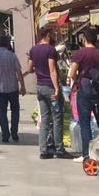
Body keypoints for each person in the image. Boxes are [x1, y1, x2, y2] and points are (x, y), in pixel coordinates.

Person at [25, 25, 70, 159]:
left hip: (40, 87)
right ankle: (59, 148)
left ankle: (44, 150)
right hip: (50, 87)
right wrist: (56, 88)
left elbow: (29, 69)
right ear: (48, 35)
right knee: (57, 118)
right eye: (53, 34)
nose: (55, 36)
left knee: (44, 119)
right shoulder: (50, 50)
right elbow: (52, 70)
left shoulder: (33, 49)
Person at [68, 26, 99, 161]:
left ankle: (87, 155)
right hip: (98, 93)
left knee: (85, 123)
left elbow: (71, 73)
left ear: (84, 39)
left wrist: (77, 82)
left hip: (84, 91)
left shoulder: (80, 54)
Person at [0, 34, 27, 144]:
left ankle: (5, 135)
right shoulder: (12, 56)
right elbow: (19, 72)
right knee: (15, 111)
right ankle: (14, 133)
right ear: (8, 44)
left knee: (2, 112)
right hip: (13, 87)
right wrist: (22, 86)